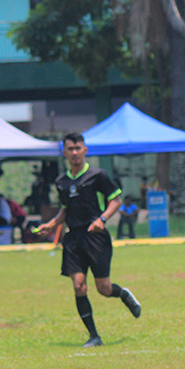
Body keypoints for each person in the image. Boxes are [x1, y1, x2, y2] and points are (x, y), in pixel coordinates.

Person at [37, 132, 142, 348]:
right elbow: (65, 209)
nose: (75, 152)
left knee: (103, 288)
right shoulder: (61, 182)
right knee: (79, 286)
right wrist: (51, 224)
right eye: (70, 149)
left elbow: (116, 200)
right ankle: (94, 336)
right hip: (73, 238)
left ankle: (122, 294)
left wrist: (102, 219)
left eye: (78, 148)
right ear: (64, 152)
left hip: (96, 237)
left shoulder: (98, 175)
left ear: (85, 150)